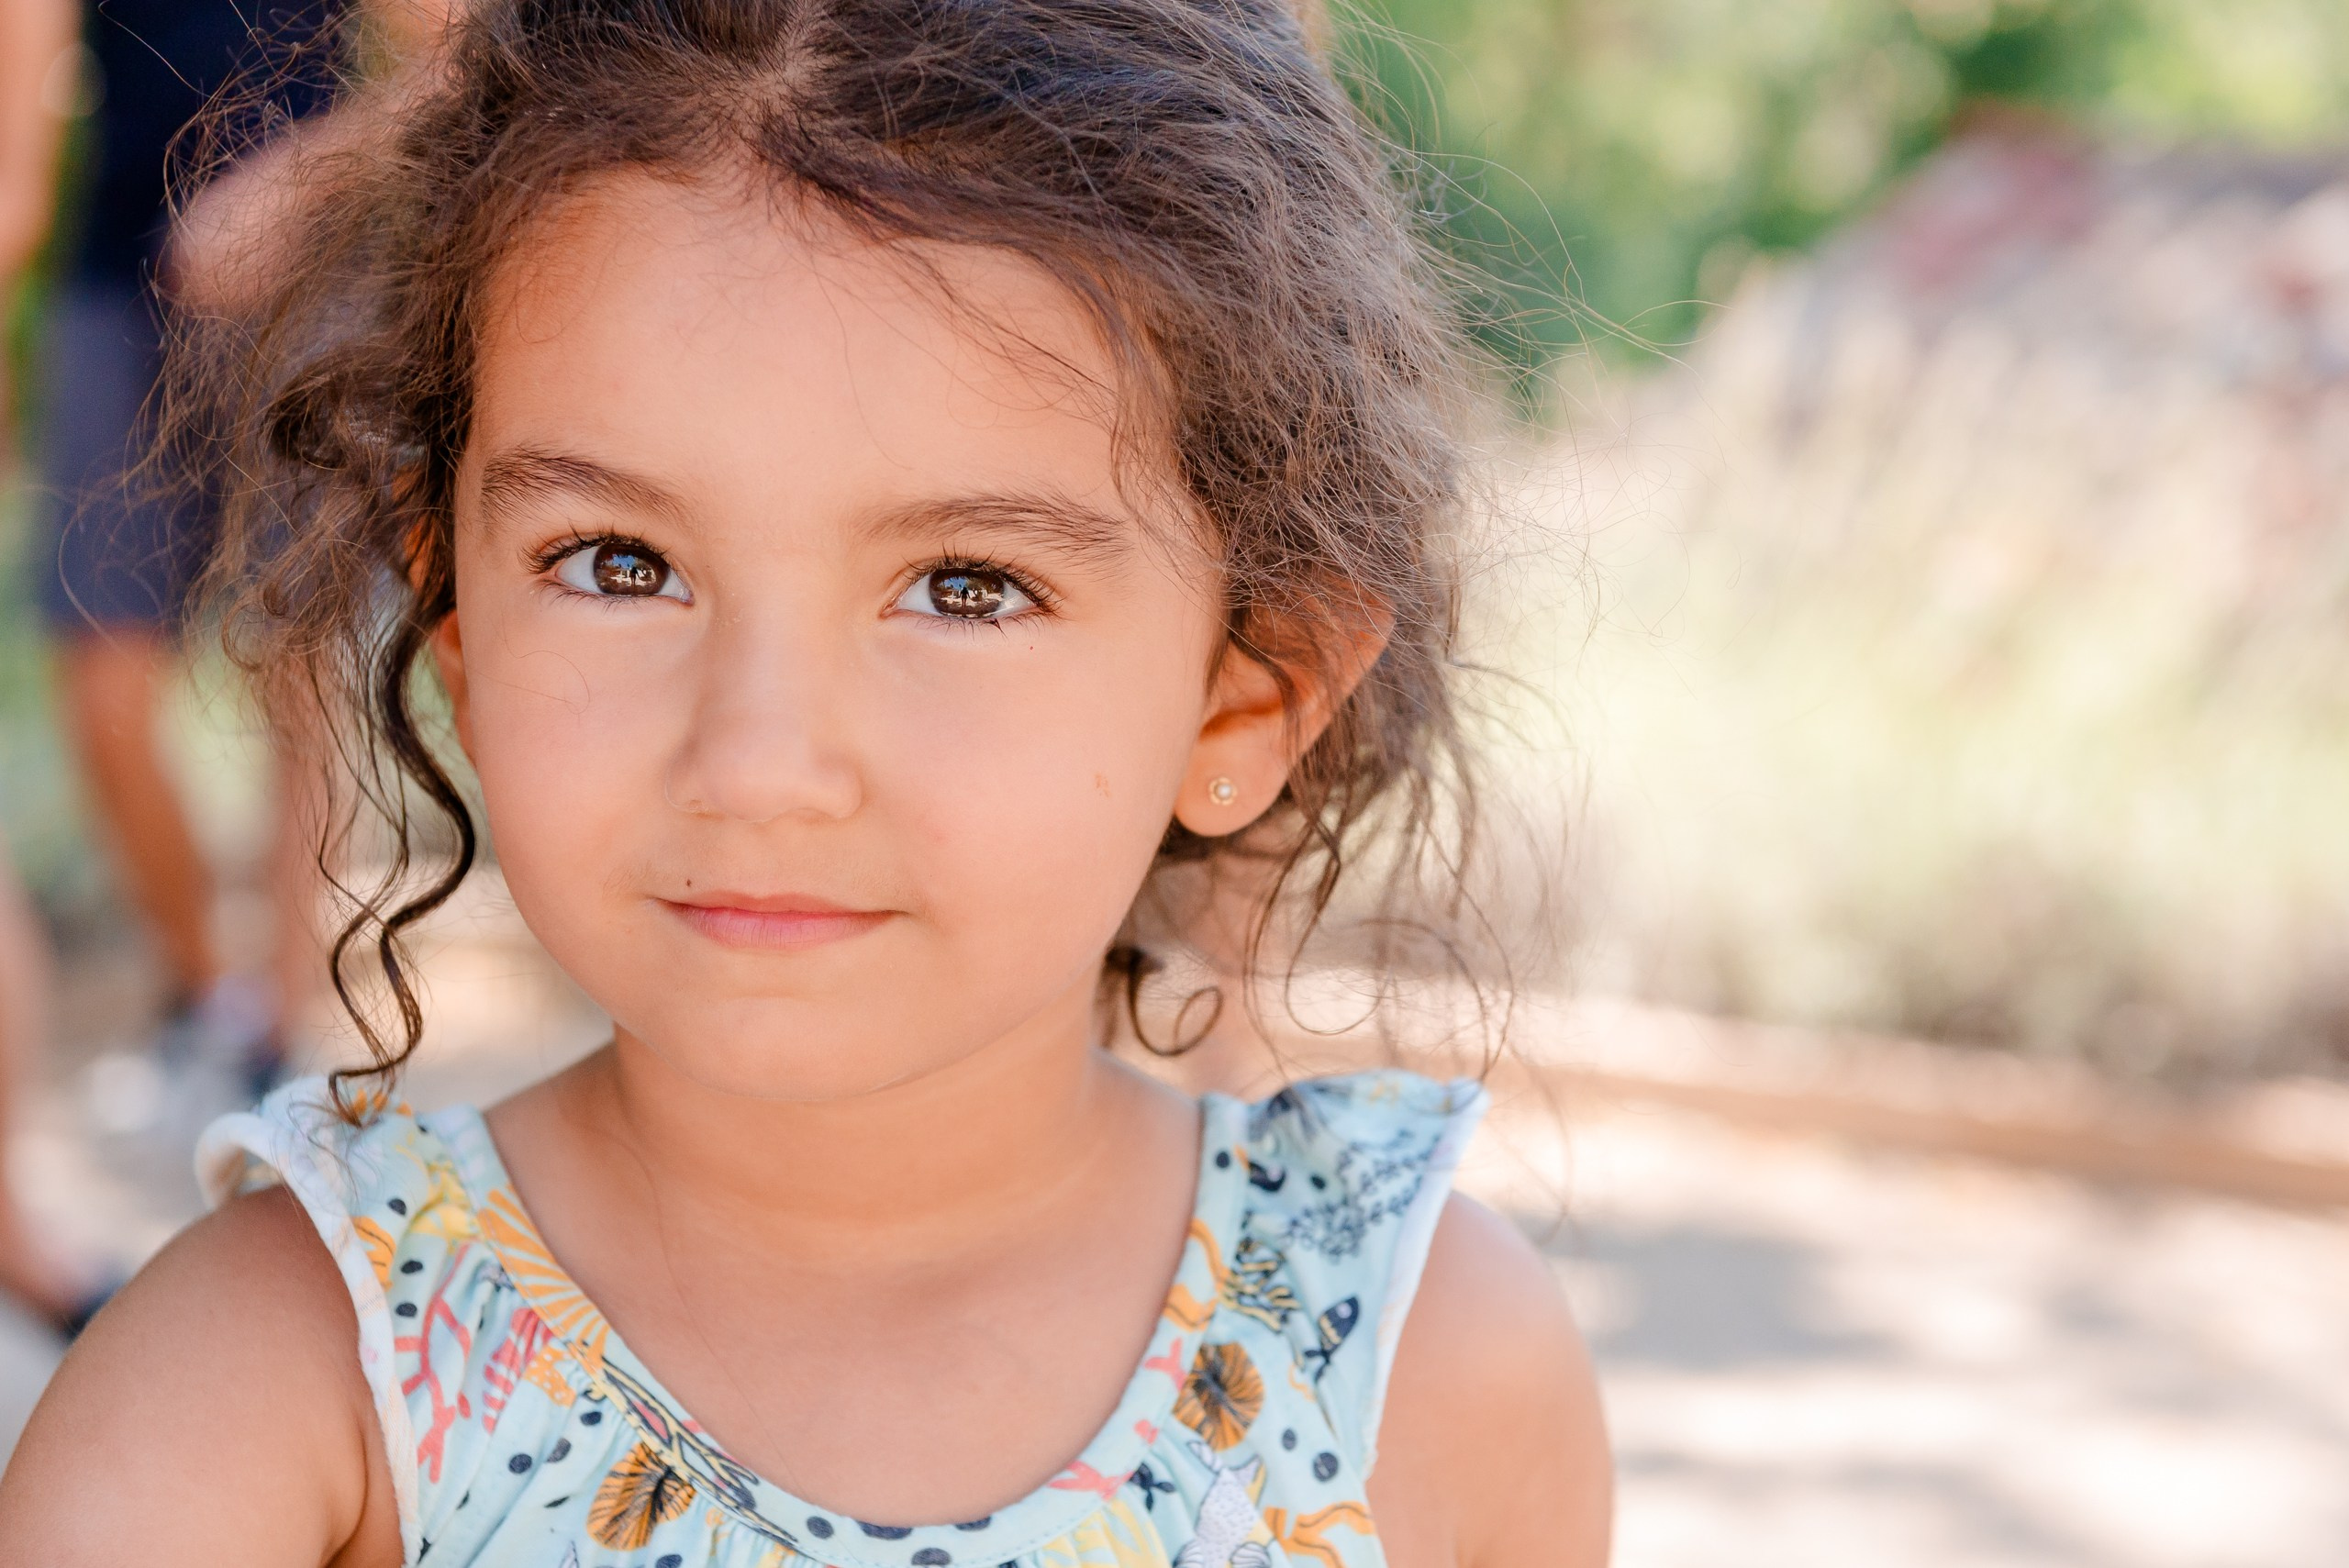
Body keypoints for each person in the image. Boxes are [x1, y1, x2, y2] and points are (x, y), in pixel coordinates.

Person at [0, 2, 1613, 1564]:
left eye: (969, 585)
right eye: (619, 563)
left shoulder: (1424, 1374)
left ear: (1247, 692)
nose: (760, 763)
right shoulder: (281, 1390)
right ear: (460, 631)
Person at [28, 0, 345, 1098]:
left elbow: (453, 71)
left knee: (305, 669)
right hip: (110, 284)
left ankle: (289, 1042)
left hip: (307, 280)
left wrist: (292, 188)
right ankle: (217, 996)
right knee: (100, 677)